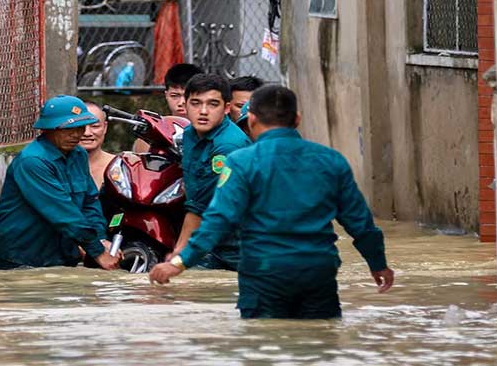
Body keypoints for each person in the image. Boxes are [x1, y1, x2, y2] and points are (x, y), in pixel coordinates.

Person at [150, 85, 395, 319]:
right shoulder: (331, 162)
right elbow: (360, 223)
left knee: (262, 344)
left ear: (252, 120)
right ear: (297, 119)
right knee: (320, 344)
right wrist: (378, 264)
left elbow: (218, 221)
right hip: (318, 277)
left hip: (263, 277)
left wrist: (179, 263)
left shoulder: (240, 163)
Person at [0, 95, 123, 271]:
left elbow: (89, 202)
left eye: (79, 127)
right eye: (68, 129)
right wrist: (98, 251)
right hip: (20, 258)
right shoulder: (33, 161)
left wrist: (100, 239)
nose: (77, 134)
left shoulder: (78, 154)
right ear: (49, 129)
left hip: (60, 257)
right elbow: (63, 213)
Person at [170, 74, 252, 270]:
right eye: (196, 103)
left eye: (212, 104)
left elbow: (202, 204)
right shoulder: (190, 134)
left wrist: (180, 251)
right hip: (214, 239)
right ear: (185, 104)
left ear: (226, 108)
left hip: (242, 245)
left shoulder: (227, 146)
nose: (203, 111)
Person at [133, 63, 203, 153]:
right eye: (174, 96)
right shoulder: (154, 132)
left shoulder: (214, 133)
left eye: (187, 96)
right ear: (166, 95)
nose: (181, 102)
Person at [81, 101, 115, 190]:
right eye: (81, 127)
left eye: (95, 126)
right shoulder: (56, 167)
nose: (87, 133)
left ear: (105, 127)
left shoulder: (118, 166)